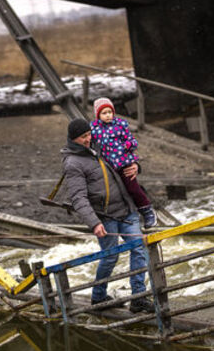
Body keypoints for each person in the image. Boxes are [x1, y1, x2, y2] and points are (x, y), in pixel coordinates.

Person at [62, 118, 155, 313]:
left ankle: (139, 297)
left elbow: (123, 156)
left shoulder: (100, 146)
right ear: (73, 139)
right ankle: (98, 296)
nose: (88, 139)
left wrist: (136, 165)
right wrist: (94, 223)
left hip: (126, 210)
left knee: (139, 248)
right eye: (83, 137)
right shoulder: (73, 163)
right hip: (105, 217)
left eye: (89, 134)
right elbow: (78, 198)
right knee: (111, 256)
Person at [91, 97, 157, 228]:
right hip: (108, 166)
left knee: (132, 188)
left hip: (123, 162)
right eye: (104, 113)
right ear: (98, 115)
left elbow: (132, 141)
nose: (108, 115)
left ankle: (147, 211)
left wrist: (127, 145)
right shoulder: (94, 128)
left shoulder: (120, 125)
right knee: (115, 191)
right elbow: (89, 143)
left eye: (110, 112)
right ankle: (125, 219)